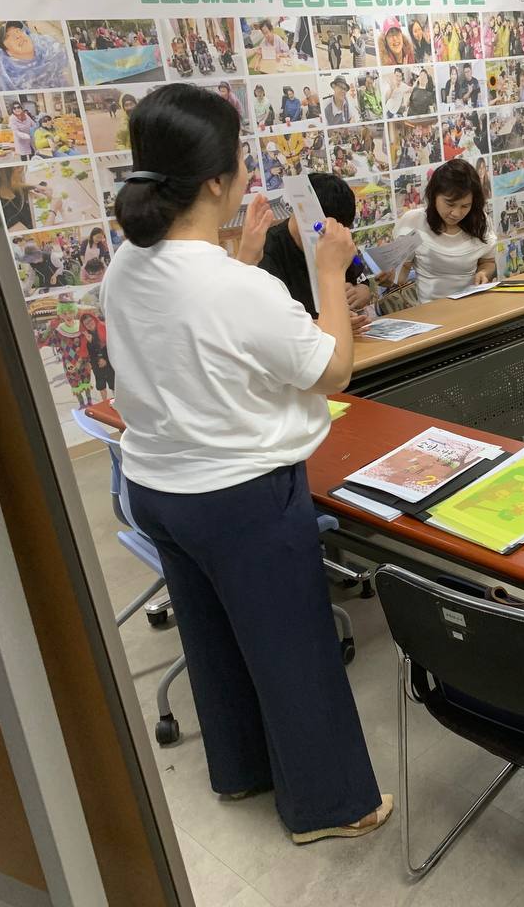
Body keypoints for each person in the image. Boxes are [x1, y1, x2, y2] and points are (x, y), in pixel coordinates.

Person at [101, 82, 391, 843]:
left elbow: (192, 333)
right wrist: (328, 271)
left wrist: (238, 258)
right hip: (242, 500)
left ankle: (241, 771)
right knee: (295, 650)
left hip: (158, 487)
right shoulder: (240, 288)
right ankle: (333, 807)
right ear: (215, 181)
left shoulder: (125, 265)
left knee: (214, 636)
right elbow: (332, 370)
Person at [245, 172, 373, 323]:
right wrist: (330, 323)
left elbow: (362, 277)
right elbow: (274, 321)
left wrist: (360, 292)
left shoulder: (339, 243)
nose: (332, 238)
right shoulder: (267, 250)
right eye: (325, 231)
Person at [394, 158, 496, 302]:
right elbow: (401, 273)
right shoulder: (414, 222)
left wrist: (483, 272)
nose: (456, 213)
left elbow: (488, 262)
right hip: (431, 312)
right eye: (450, 204)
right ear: (434, 196)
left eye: (465, 206)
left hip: (473, 306)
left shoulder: (479, 222)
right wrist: (390, 275)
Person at [0, 20, 71, 91]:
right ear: (5, 50)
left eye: (18, 31)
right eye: (8, 36)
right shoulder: (3, 77)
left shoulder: (52, 55)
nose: (17, 36)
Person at [80, 312, 114, 401]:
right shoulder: (85, 336)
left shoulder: (103, 327)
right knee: (101, 386)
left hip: (109, 360)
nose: (89, 324)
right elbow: (90, 352)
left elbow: (111, 346)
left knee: (113, 384)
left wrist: (105, 360)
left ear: (94, 319)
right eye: (86, 323)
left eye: (90, 321)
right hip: (96, 364)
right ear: (84, 326)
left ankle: (119, 403)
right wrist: (90, 341)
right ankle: (105, 404)